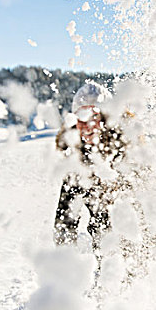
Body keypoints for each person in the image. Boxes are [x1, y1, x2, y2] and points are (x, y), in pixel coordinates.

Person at [53, 82, 130, 250]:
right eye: (81, 116)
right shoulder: (77, 160)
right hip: (106, 252)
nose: (87, 125)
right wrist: (64, 263)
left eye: (93, 116)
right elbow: (65, 222)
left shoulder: (126, 149)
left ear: (105, 118)